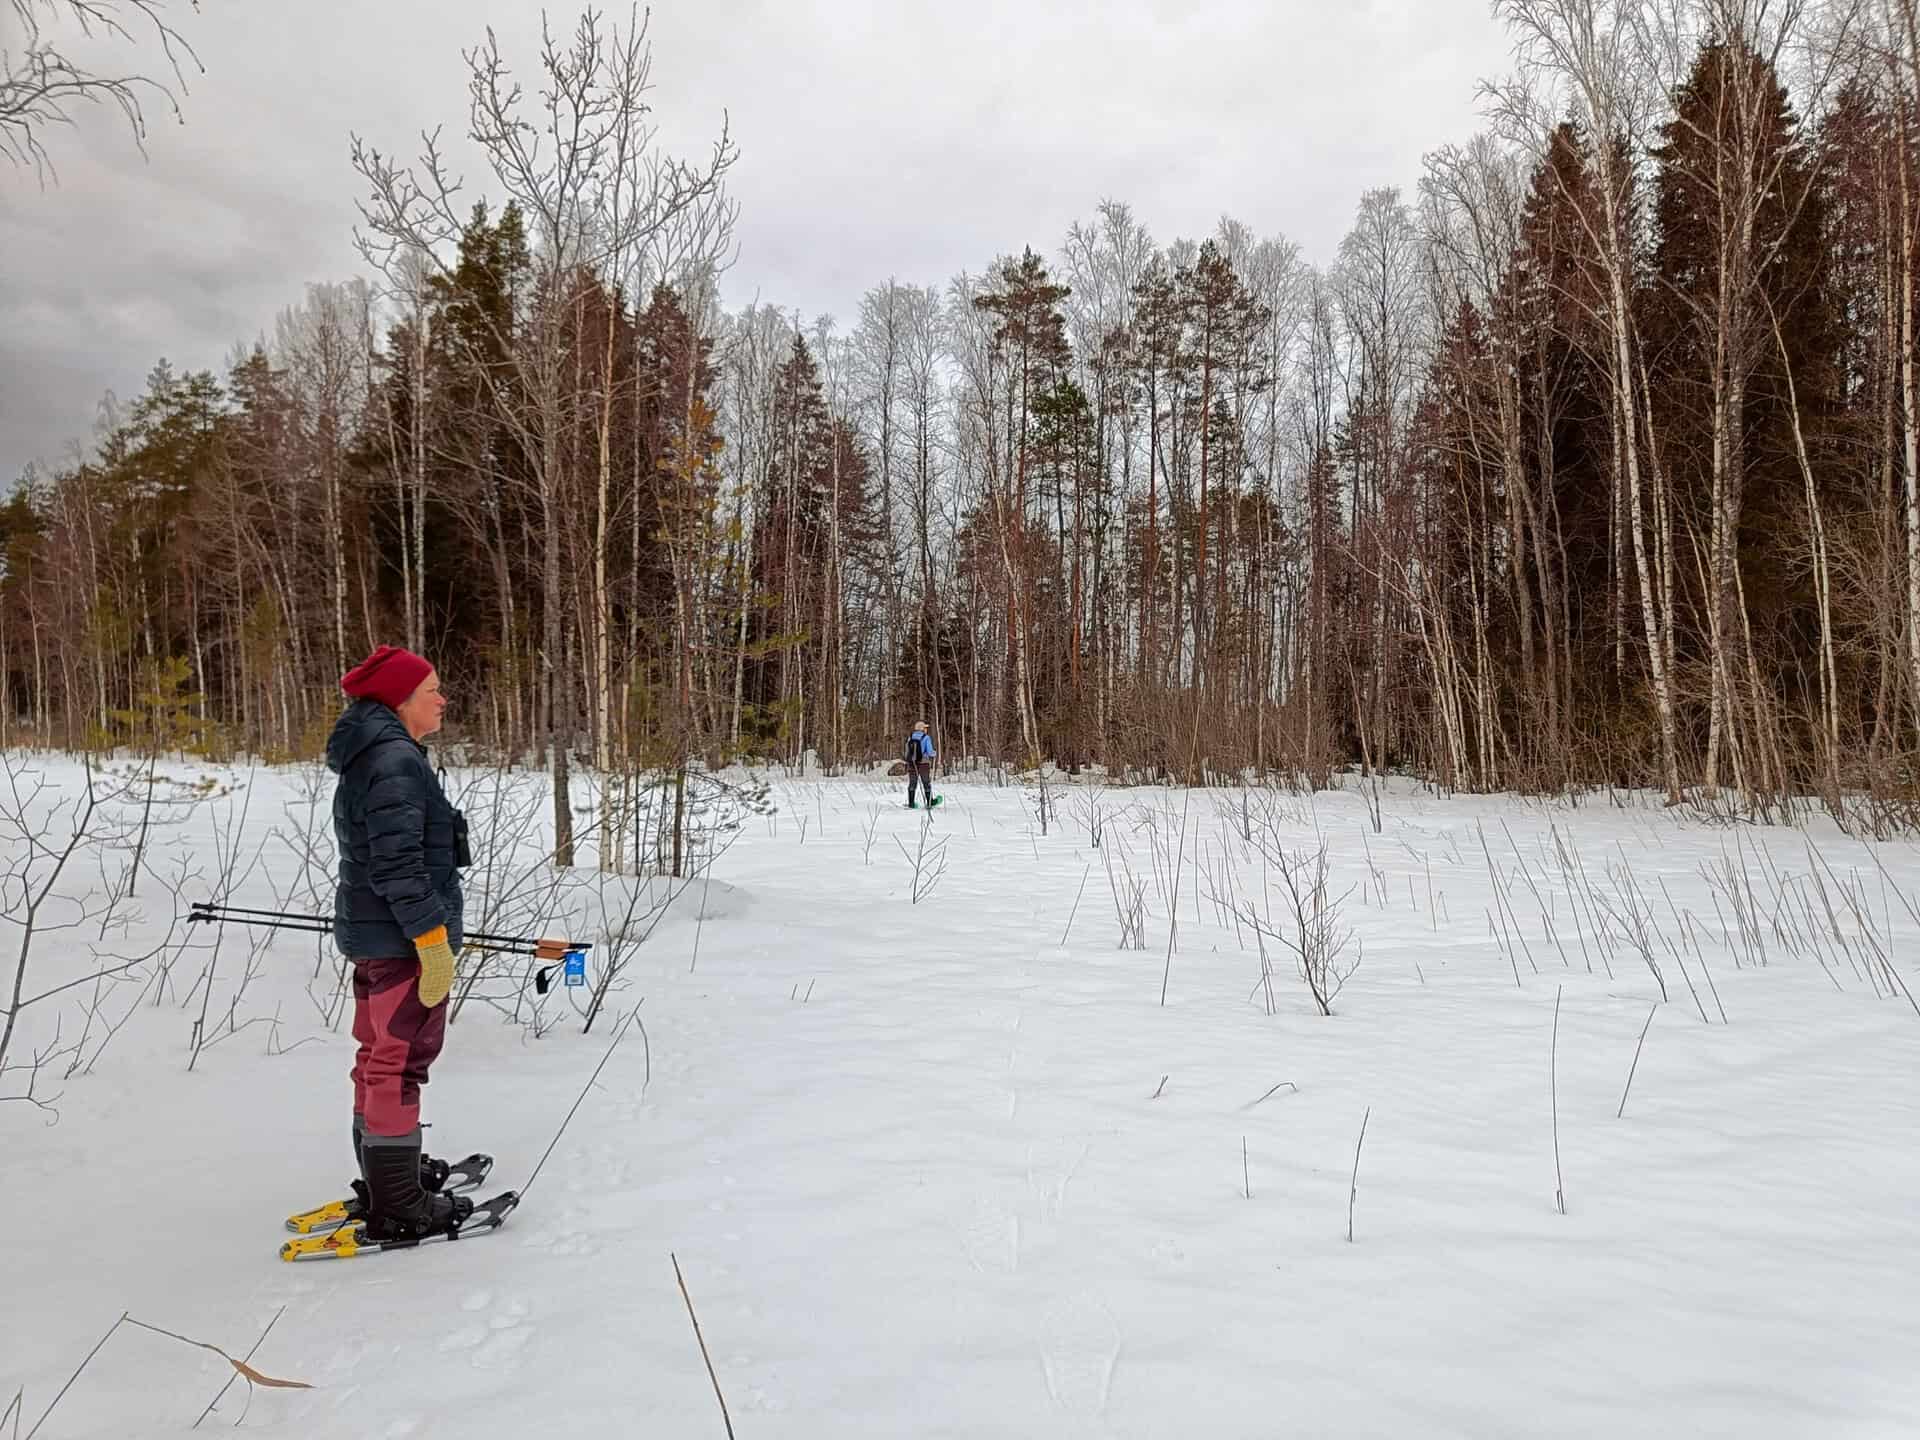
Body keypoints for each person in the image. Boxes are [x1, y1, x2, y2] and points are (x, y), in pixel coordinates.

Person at [327, 643, 472, 1241]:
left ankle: (389, 1179)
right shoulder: (394, 761)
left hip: (379, 934)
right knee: (398, 1063)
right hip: (401, 941)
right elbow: (398, 867)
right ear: (401, 699)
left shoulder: (379, 752)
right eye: (432, 690)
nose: (443, 699)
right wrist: (432, 942)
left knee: (377, 1059)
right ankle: (399, 1206)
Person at [904, 719, 938, 809]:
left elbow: (907, 752)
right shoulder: (926, 738)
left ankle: (911, 803)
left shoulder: (910, 737)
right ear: (922, 729)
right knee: (926, 782)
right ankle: (929, 802)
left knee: (912, 783)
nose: (926, 729)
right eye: (925, 728)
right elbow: (930, 752)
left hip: (912, 763)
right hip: (924, 763)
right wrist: (934, 753)